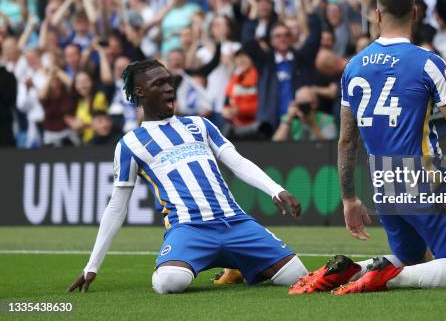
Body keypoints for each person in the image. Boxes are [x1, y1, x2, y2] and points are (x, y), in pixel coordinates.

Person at [290, 0, 446, 295]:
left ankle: (354, 270)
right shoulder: (428, 62)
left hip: (383, 186)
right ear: (416, 13)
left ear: (377, 16)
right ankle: (389, 277)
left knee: (417, 259)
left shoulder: (353, 67)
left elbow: (346, 142)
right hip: (424, 181)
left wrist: (349, 198)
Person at [68, 59, 308, 294]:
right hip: (189, 227)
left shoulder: (200, 125)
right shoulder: (130, 143)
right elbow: (117, 207)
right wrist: (92, 265)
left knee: (297, 276)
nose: (169, 88)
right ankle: (223, 264)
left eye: (169, 82)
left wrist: (275, 189)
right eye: (159, 83)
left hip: (235, 222)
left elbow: (237, 162)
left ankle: (237, 266)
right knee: (169, 283)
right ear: (140, 92)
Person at [272, 86, 337, 141]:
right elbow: (275, 145)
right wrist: (288, 119)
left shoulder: (327, 119)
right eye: (301, 105)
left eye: (307, 104)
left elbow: (330, 147)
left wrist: (312, 125)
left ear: (316, 103)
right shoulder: (289, 119)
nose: (304, 108)